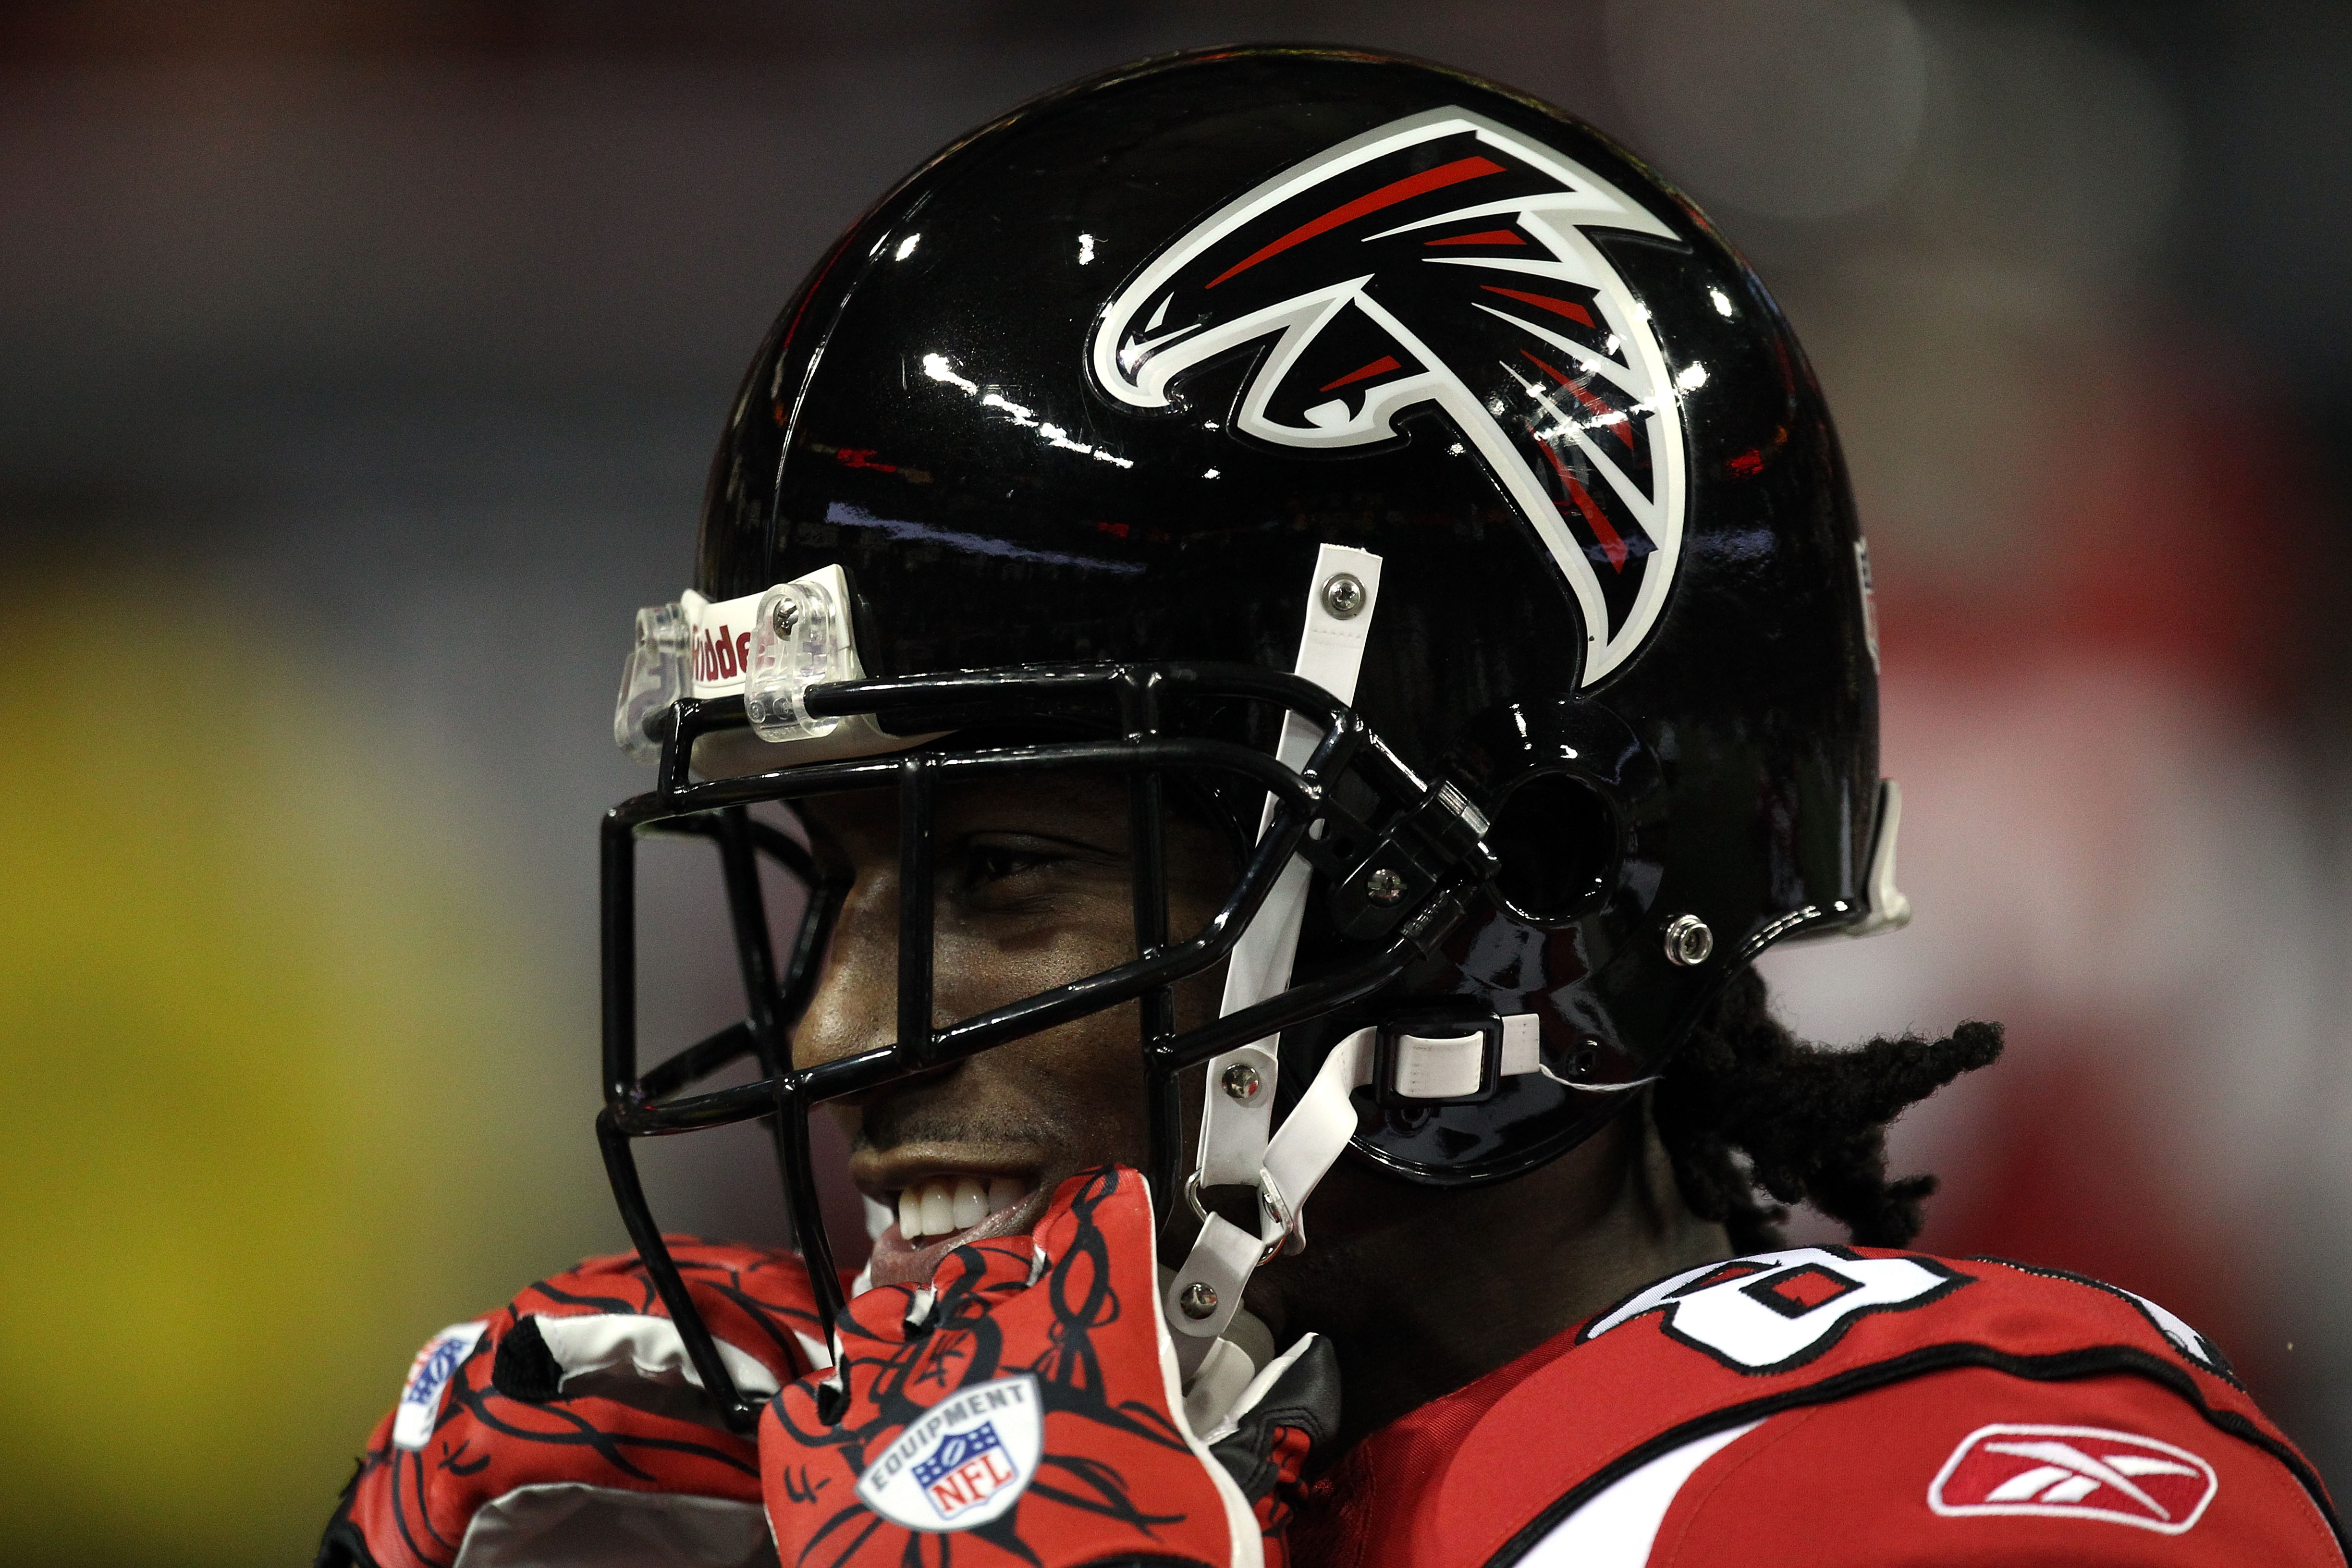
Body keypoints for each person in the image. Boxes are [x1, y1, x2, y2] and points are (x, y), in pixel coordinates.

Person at [317, 46, 2344, 1568]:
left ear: (1511, 880)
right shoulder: (1036, 1482)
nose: (844, 1037)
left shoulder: (1927, 1480)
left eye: (1001, 871)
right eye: (834, 885)